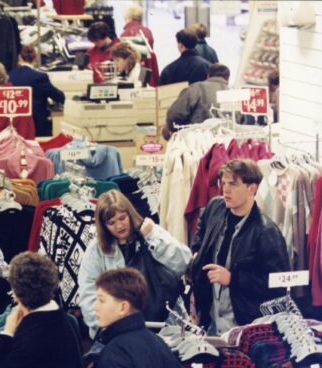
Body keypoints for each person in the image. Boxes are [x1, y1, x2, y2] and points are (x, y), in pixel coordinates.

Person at [190, 160, 290, 335]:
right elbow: (202, 227)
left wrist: (233, 278)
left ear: (252, 188)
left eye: (233, 184)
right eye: (224, 183)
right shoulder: (216, 207)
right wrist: (197, 252)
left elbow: (277, 286)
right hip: (210, 319)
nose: (226, 190)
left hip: (243, 327)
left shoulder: (267, 232)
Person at [78, 190, 191, 337]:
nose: (119, 226)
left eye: (122, 218)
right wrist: (107, 327)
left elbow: (183, 261)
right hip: (120, 330)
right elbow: (88, 294)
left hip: (167, 325)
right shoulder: (97, 250)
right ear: (104, 225)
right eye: (111, 223)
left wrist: (152, 236)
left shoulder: (150, 232)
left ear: (130, 213)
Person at [8, 45, 65, 137]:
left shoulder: (10, 76)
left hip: (15, 126)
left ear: (19, 57)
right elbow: (59, 97)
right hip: (37, 126)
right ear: (35, 58)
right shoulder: (40, 77)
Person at [164, 63, 231, 139]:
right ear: (228, 80)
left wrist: (173, 129)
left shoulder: (196, 88)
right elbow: (241, 121)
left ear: (208, 76)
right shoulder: (234, 94)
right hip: (227, 143)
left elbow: (176, 114)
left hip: (196, 141)